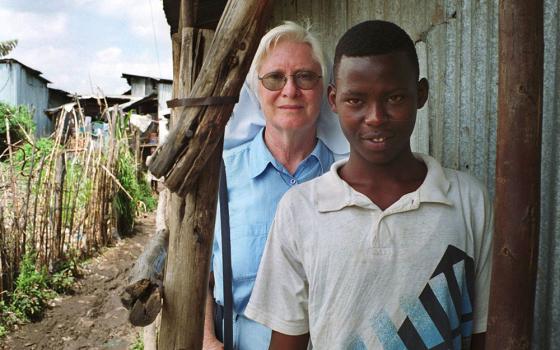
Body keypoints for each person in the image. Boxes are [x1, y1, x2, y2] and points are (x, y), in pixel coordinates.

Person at [245, 20, 493, 349]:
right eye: (356, 100)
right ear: (333, 100)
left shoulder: (467, 203)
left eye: (394, 97)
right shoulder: (301, 209)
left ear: (421, 94)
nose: (375, 116)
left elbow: (486, 334)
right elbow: (287, 341)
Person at [203, 21, 348, 350]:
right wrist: (207, 338)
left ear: (326, 91)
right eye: (274, 78)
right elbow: (198, 272)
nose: (290, 90)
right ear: (256, 90)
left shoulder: (345, 177)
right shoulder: (222, 176)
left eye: (305, 76)